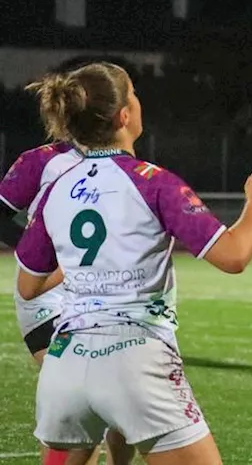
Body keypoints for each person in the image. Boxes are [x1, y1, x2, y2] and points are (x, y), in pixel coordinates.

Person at [15, 62, 252, 465]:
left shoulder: (56, 189)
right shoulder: (153, 182)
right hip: (133, 358)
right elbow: (233, 256)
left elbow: (27, 287)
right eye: (134, 94)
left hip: (64, 363)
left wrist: (86, 269)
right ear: (125, 115)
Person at [2, 138, 134, 465]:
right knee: (77, 403)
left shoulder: (123, 163)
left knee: (123, 394)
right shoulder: (42, 160)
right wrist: (46, 251)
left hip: (97, 296)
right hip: (48, 297)